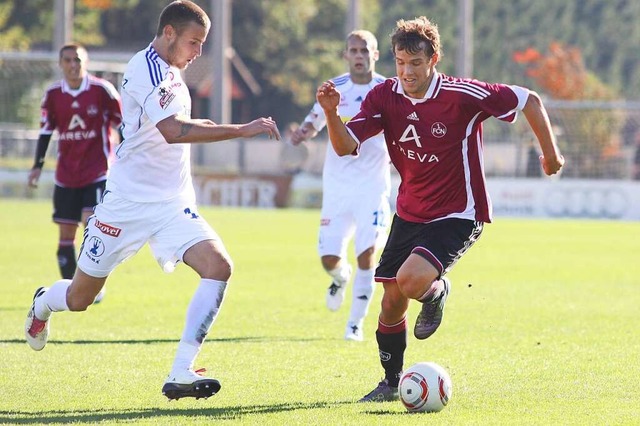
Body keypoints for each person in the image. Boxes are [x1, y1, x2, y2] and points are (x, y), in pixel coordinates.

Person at [24, 0, 281, 401]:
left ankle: (181, 369)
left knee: (219, 266)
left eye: (202, 44)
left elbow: (181, 125)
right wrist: (242, 130)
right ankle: (43, 303)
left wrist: (213, 126)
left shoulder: (175, 73)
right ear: (169, 33)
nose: (198, 53)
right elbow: (174, 131)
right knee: (79, 299)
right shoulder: (144, 68)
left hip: (173, 203)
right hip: (126, 204)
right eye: (194, 43)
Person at [315, 16, 564, 402]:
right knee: (392, 301)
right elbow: (346, 145)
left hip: (458, 212)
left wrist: (550, 154)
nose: (406, 71)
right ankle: (391, 382)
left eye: (415, 63)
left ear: (433, 60)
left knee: (412, 281)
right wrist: (332, 113)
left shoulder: (461, 94)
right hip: (410, 210)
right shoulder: (384, 96)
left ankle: (435, 291)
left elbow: (528, 99)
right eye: (400, 62)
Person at [290, 30, 391, 342]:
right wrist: (302, 133)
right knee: (329, 259)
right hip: (337, 188)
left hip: (372, 187)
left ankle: (355, 324)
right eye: (353, 50)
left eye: (365, 50)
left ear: (375, 55)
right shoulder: (335, 90)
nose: (359, 55)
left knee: (367, 254)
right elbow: (313, 121)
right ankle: (339, 277)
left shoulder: (388, 90)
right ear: (346, 55)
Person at [28, 44, 123, 295]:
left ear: (86, 62)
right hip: (66, 175)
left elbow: (123, 126)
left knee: (91, 225)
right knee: (66, 235)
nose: (73, 65)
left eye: (77, 60)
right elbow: (46, 132)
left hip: (97, 172)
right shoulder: (52, 95)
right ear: (60, 64)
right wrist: (37, 167)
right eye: (68, 60)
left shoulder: (102, 91)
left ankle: (92, 284)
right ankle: (73, 291)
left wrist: (127, 160)